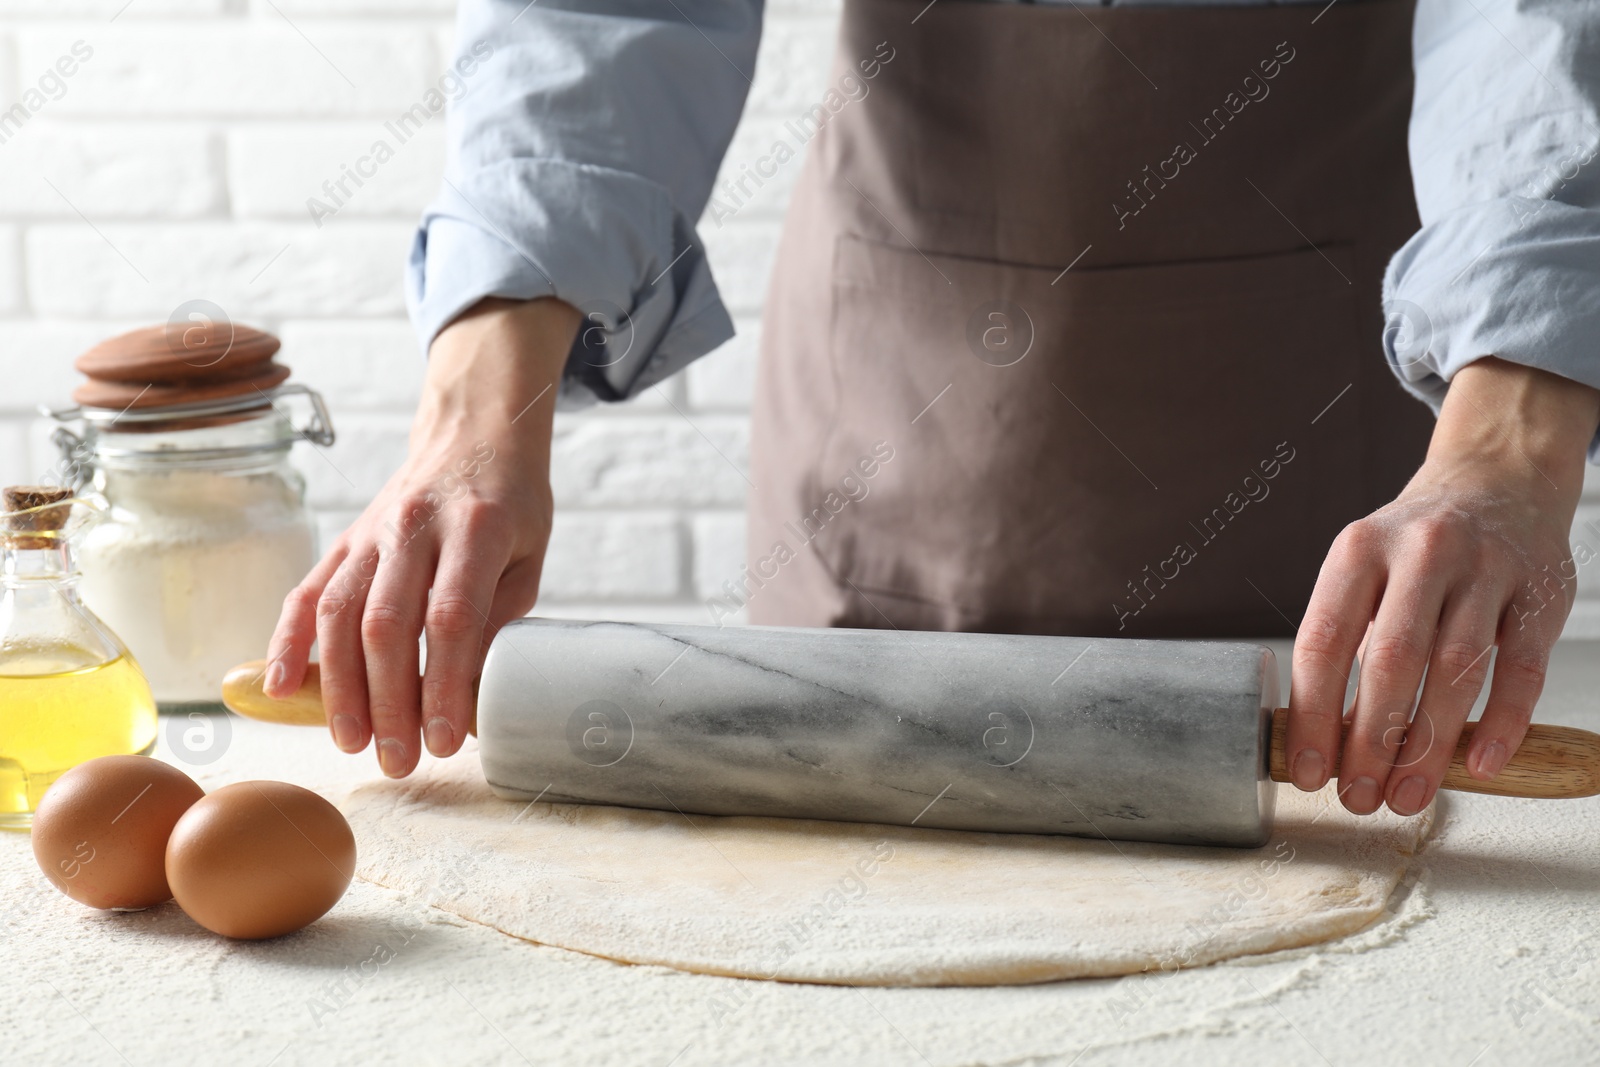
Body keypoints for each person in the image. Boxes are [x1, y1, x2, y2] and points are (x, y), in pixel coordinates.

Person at [265, 0, 1600, 822]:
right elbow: (604, 11)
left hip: (1323, 416)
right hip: (900, 382)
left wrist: (1507, 439)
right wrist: (475, 413)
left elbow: (1539, 23)